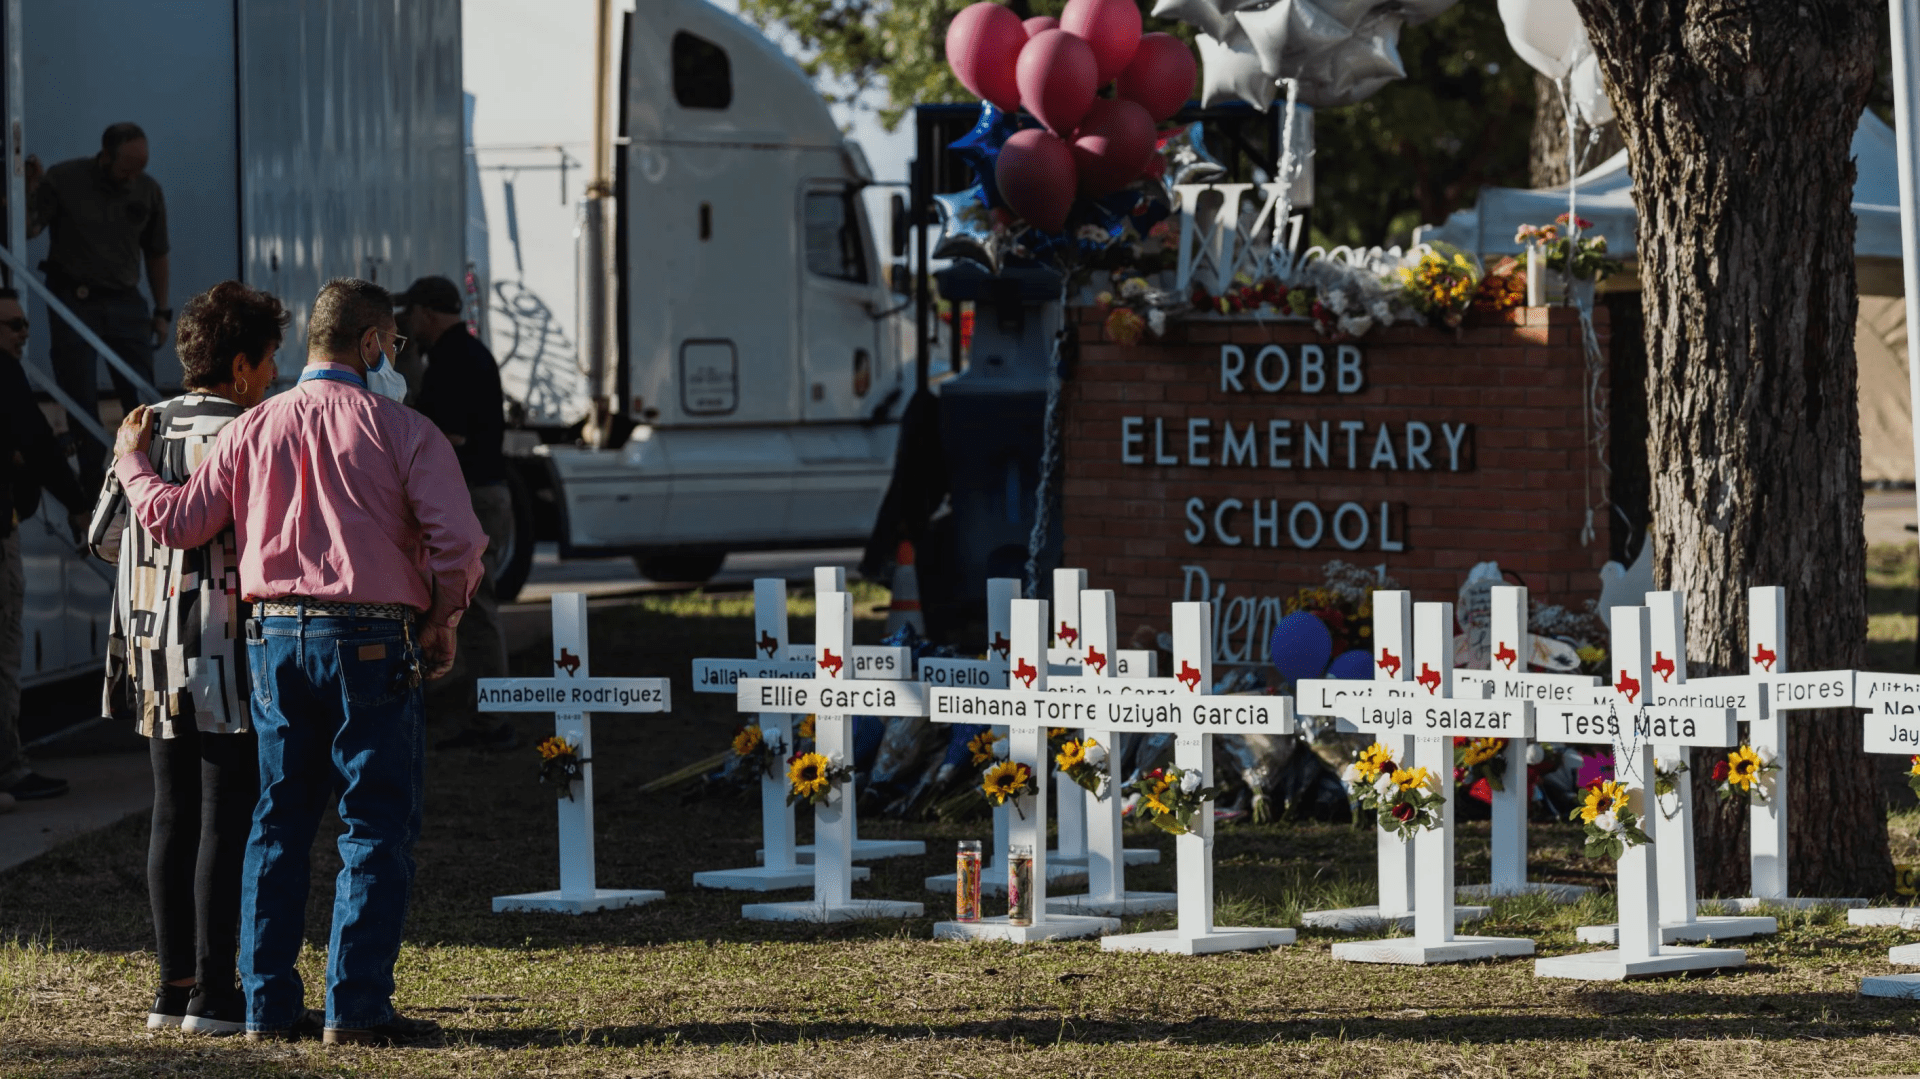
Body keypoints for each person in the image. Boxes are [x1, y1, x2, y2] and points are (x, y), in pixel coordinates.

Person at [112, 277, 485, 1047]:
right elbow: (461, 542)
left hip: (274, 637)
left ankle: (268, 1004)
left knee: (276, 821)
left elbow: (179, 520)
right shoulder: (405, 429)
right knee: (374, 824)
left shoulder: (255, 427)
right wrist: (443, 617)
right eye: (394, 344)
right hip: (374, 637)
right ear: (374, 342)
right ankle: (356, 1007)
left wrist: (130, 463)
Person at [89, 282, 286, 1035]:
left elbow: (104, 537)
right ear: (240, 366)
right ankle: (214, 991)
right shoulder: (254, 429)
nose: (274, 375)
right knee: (224, 818)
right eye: (269, 361)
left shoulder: (142, 425)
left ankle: (170, 988)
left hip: (151, 646)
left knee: (169, 816)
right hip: (226, 646)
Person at [394, 276, 515, 752]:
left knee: (477, 608)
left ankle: (494, 719)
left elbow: (449, 436)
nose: (409, 326)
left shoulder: (452, 360)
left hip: (476, 495)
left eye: (412, 316)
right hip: (486, 492)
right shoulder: (468, 352)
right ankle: (485, 713)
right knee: (473, 607)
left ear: (426, 312)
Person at [28, 122, 171, 485]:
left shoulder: (147, 189)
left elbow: (156, 254)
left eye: (141, 166)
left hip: (125, 302)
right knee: (80, 397)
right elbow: (27, 227)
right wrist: (28, 187)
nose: (132, 176)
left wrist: (162, 310)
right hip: (75, 300)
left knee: (142, 400)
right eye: (126, 167)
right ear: (105, 155)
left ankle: (148, 483)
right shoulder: (64, 179)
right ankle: (93, 490)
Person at [0, 287, 88, 805]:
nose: (22, 333)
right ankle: (9, 768)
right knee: (4, 652)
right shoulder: (6, 374)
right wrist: (78, 505)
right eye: (11, 324)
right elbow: (38, 442)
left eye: (25, 324)